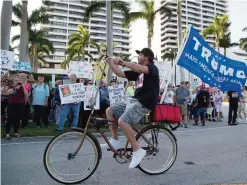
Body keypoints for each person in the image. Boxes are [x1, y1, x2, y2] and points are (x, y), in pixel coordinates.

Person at [101, 48, 159, 169]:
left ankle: (137, 151)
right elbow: (119, 73)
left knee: (122, 121)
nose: (138, 57)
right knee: (110, 111)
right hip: (135, 100)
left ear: (147, 57)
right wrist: (110, 62)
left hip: (145, 103)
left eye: (140, 55)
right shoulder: (137, 72)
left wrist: (123, 62)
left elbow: (139, 68)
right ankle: (115, 141)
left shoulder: (152, 68)